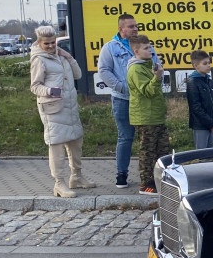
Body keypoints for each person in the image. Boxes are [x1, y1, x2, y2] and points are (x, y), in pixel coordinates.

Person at [30, 25, 94, 198]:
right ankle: (59, 183)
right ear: (39, 43)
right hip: (53, 108)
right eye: (47, 44)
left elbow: (78, 75)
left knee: (76, 141)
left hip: (70, 106)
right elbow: (35, 86)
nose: (51, 46)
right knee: (57, 146)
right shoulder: (39, 60)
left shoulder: (61, 56)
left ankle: (77, 177)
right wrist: (50, 91)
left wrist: (69, 57)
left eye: (53, 43)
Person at [97, 13, 145, 188]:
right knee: (125, 137)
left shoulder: (144, 45)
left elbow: (156, 63)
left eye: (136, 25)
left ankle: (147, 175)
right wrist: (121, 87)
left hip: (143, 100)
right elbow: (103, 70)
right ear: (121, 29)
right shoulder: (110, 48)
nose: (135, 28)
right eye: (131, 26)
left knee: (146, 138)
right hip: (122, 99)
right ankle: (121, 173)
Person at [126, 35, 168, 195]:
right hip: (145, 117)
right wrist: (157, 78)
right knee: (148, 151)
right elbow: (148, 92)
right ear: (136, 51)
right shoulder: (136, 69)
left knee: (162, 150)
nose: (150, 50)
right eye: (146, 48)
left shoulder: (150, 64)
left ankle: (161, 180)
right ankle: (146, 183)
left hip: (156, 116)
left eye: (150, 47)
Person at [185, 49, 213, 149]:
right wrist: (210, 123)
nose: (208, 65)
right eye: (205, 63)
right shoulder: (192, 83)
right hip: (200, 125)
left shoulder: (210, 82)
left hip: (212, 124)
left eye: (209, 63)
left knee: (210, 154)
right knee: (201, 155)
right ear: (196, 66)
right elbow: (195, 107)